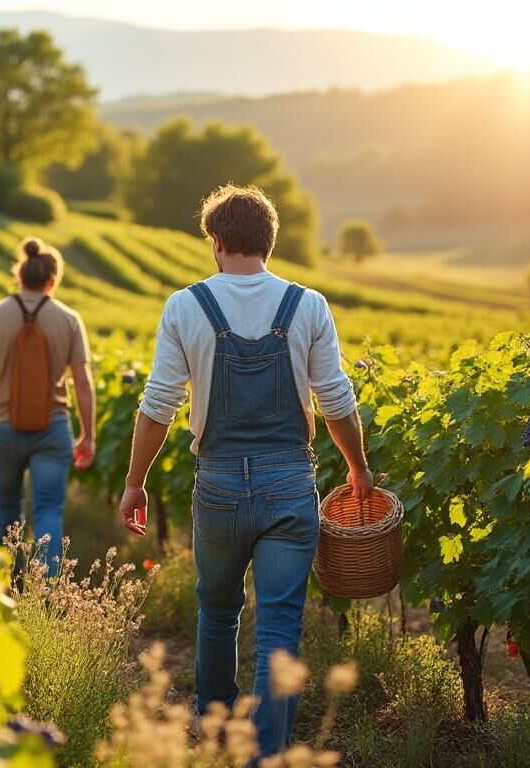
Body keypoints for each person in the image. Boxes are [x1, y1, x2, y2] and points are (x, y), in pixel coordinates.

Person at [118, 185, 372, 758]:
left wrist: (135, 483)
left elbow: (159, 403)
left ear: (217, 241)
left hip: (219, 486)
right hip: (289, 484)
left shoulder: (187, 306)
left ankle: (215, 739)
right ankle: (263, 755)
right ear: (269, 242)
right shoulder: (307, 305)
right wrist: (358, 467)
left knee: (217, 611)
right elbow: (335, 398)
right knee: (279, 626)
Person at [0, 237, 96, 573]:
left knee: (8, 508)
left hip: (5, 427)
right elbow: (83, 381)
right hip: (53, 428)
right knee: (49, 509)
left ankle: (8, 584)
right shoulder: (69, 319)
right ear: (52, 280)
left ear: (19, 276)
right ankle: (48, 589)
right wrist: (88, 434)